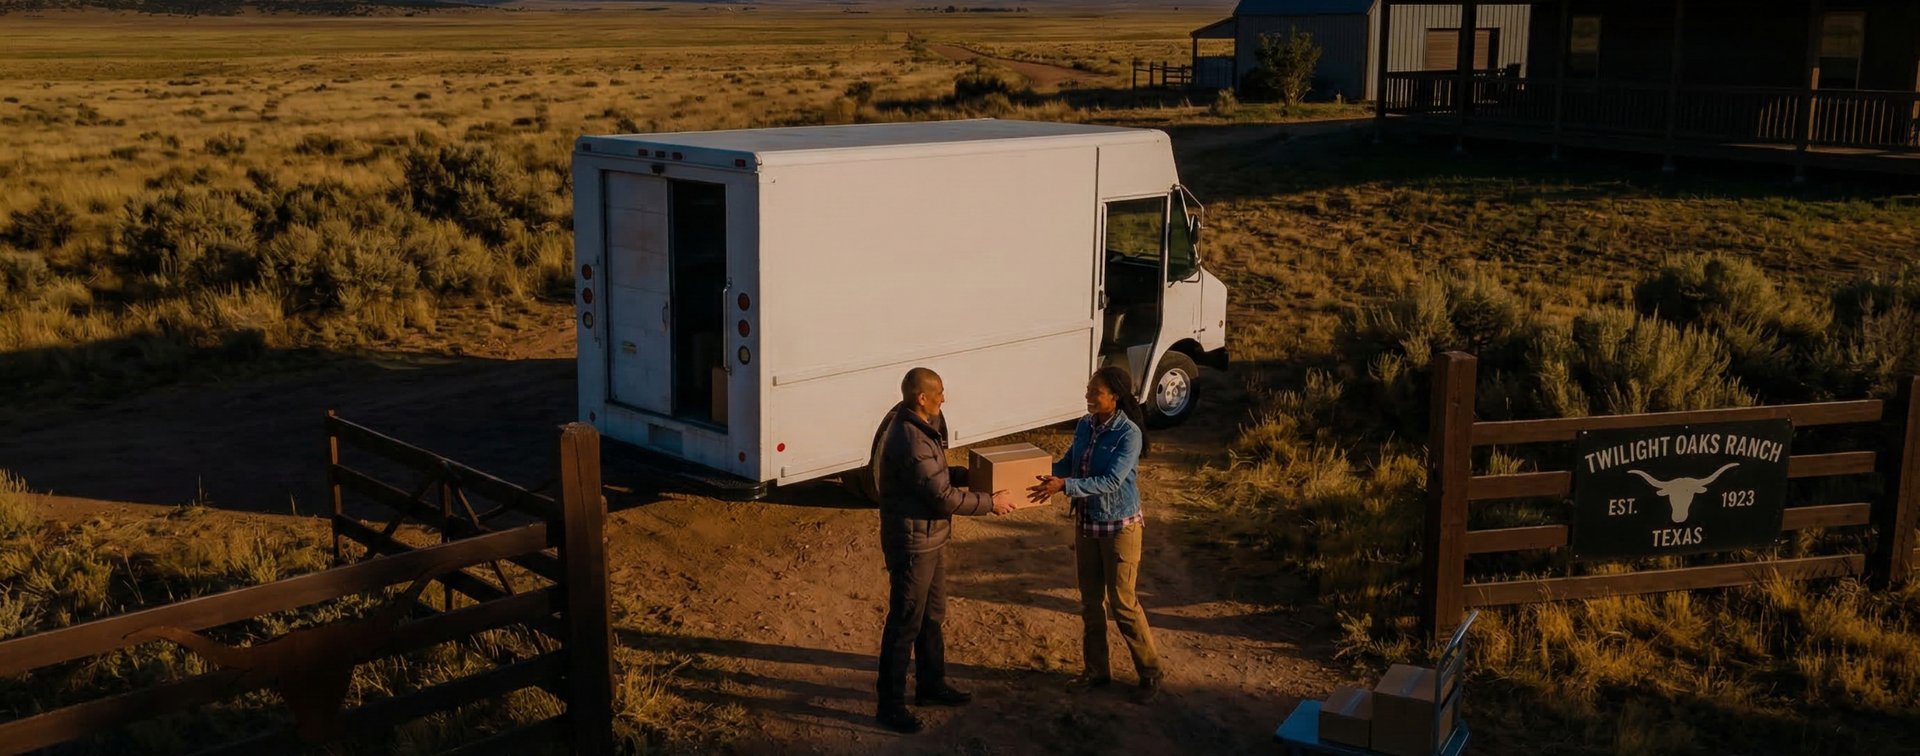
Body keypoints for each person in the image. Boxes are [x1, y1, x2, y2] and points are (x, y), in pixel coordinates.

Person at [870, 367, 1017, 733]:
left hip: (930, 539)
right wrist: (989, 502)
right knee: (905, 622)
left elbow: (936, 476)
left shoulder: (920, 430)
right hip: (913, 545)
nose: (944, 398)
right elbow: (941, 497)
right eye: (939, 392)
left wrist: (967, 474)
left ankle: (931, 685)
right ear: (922, 397)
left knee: (932, 615)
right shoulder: (910, 438)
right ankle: (889, 706)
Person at [1027, 366, 1165, 704]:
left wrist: (1066, 486)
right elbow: (1069, 463)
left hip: (1120, 526)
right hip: (1088, 522)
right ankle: (1096, 671)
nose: (1088, 397)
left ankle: (1150, 673)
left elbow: (1111, 481)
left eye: (1095, 392)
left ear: (1114, 396)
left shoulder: (1127, 434)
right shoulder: (1085, 425)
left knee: (1123, 603)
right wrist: (1041, 474)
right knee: (1090, 602)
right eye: (1088, 391)